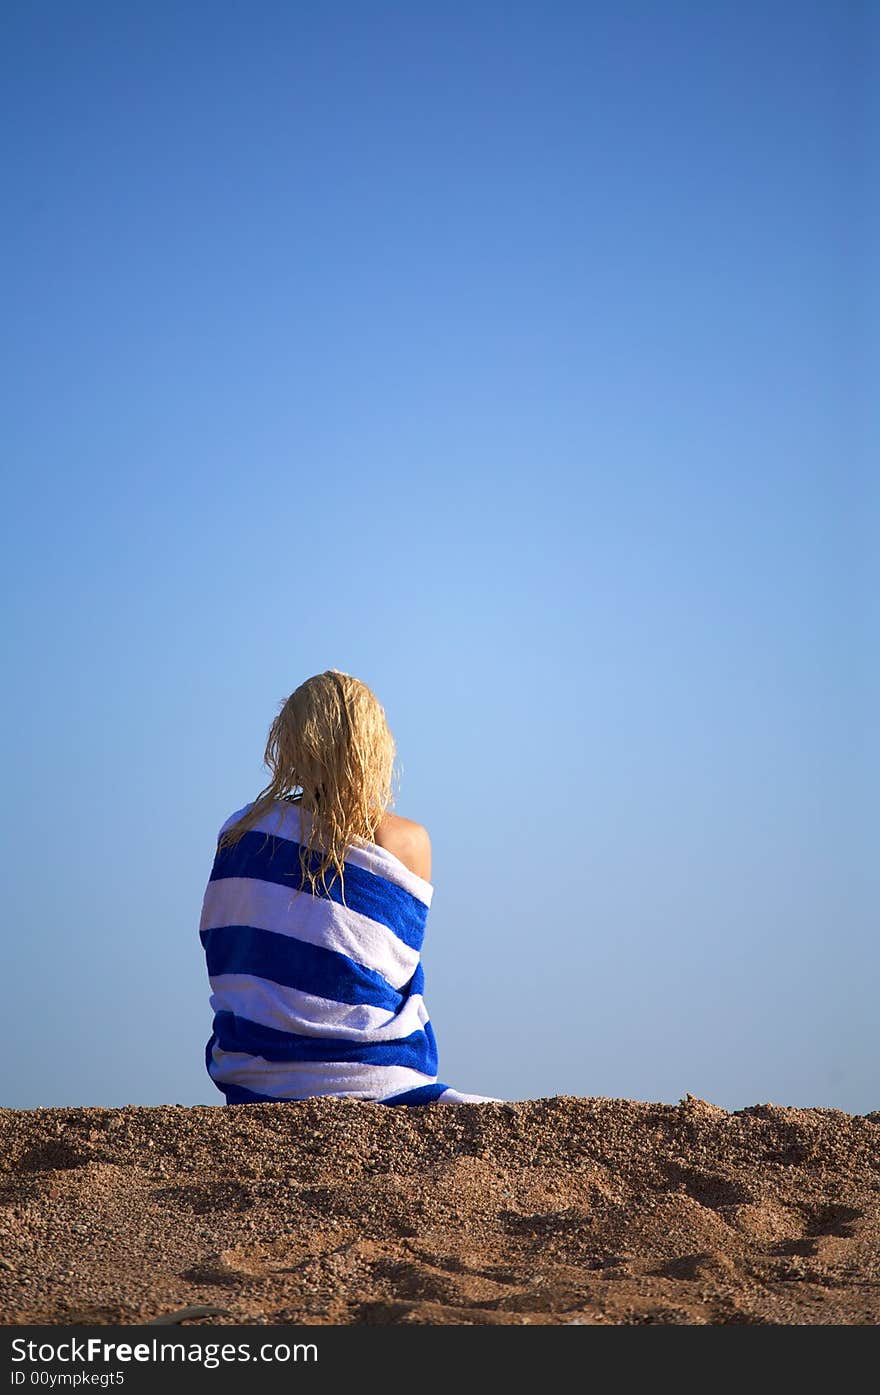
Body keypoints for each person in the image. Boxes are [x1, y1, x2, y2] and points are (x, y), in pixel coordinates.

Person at [199, 669, 498, 1106]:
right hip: (377, 1078)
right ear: (375, 745)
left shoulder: (241, 833)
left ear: (293, 743)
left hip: (254, 1079)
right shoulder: (404, 842)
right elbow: (391, 969)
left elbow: (225, 951)